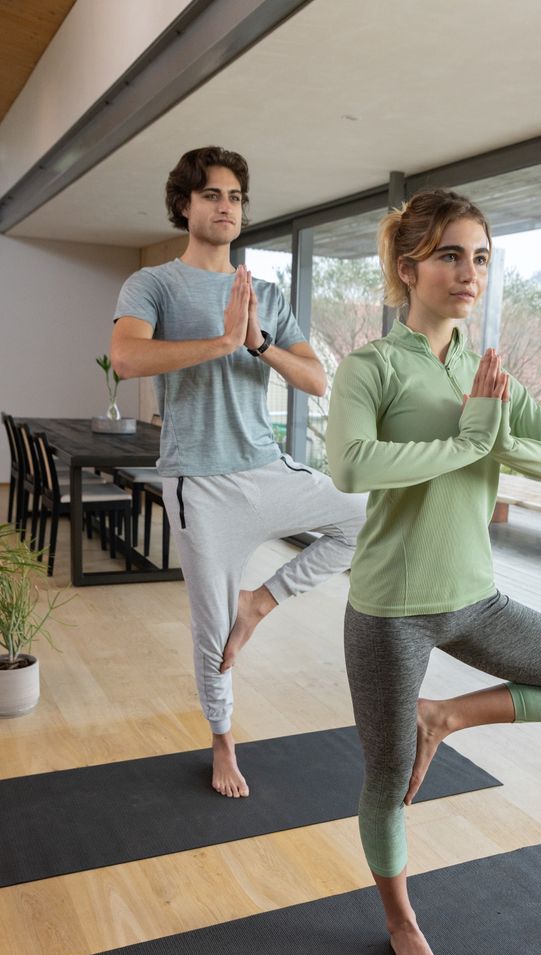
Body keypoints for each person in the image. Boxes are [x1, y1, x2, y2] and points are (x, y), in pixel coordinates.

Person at [325, 189, 541, 955]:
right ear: (408, 267)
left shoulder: (487, 375)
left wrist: (493, 432)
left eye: (482, 257)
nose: (470, 273)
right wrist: (467, 439)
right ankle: (401, 924)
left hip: (475, 599)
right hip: (390, 607)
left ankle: (445, 717)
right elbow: (351, 466)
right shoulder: (372, 367)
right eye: (451, 255)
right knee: (388, 780)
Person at [111, 146, 366, 798]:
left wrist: (257, 342)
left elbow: (316, 379)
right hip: (199, 483)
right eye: (212, 195)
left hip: (267, 467)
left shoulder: (267, 295)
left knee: (366, 519)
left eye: (235, 197)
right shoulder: (153, 285)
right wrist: (222, 342)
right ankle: (223, 741)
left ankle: (261, 602)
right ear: (184, 205)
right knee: (211, 632)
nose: (226, 206)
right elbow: (127, 359)